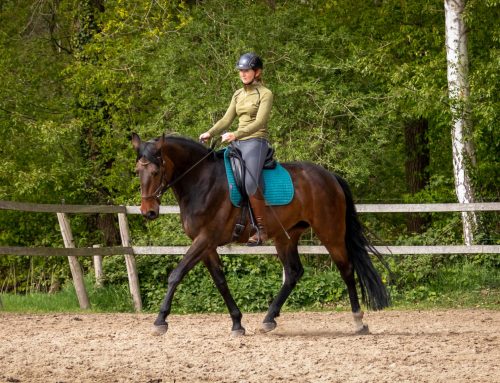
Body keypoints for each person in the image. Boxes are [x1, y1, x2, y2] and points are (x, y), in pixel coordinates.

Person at [199, 52, 273, 246]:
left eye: (246, 70)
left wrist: (236, 134)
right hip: (237, 142)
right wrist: (210, 132)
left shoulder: (265, 93)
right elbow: (226, 119)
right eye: (241, 70)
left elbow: (260, 122)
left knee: (250, 183)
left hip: (256, 141)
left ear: (257, 72)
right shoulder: (238, 94)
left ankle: (262, 230)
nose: (242, 74)